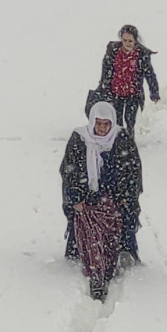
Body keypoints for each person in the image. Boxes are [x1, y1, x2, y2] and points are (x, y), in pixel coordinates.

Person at [60, 101, 143, 302]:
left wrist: (123, 198)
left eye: (107, 124)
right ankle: (97, 276)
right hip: (87, 198)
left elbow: (131, 171)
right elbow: (69, 170)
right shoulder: (80, 139)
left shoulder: (121, 139)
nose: (103, 128)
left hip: (113, 198)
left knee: (112, 229)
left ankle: (108, 267)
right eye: (99, 124)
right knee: (89, 231)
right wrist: (77, 197)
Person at [98, 25, 160, 140]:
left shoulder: (141, 55)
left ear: (136, 40)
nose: (127, 43)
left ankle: (129, 141)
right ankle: (118, 143)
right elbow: (106, 72)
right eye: (124, 40)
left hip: (133, 93)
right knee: (117, 120)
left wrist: (154, 92)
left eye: (130, 41)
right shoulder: (113, 52)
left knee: (130, 120)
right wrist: (104, 88)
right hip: (115, 92)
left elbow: (149, 74)